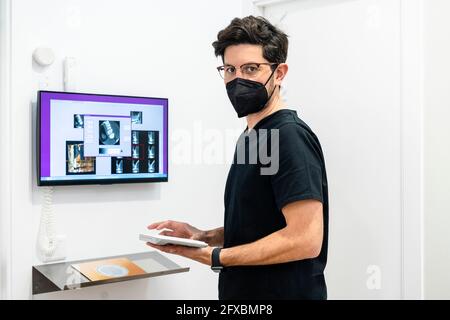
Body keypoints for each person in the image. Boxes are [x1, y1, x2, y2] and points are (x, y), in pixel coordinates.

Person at [147, 15, 329, 300]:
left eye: (251, 68)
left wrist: (217, 257)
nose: (237, 80)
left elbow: (305, 239)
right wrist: (203, 237)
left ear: (279, 73)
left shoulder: (288, 137)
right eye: (230, 69)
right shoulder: (251, 136)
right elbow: (260, 224)